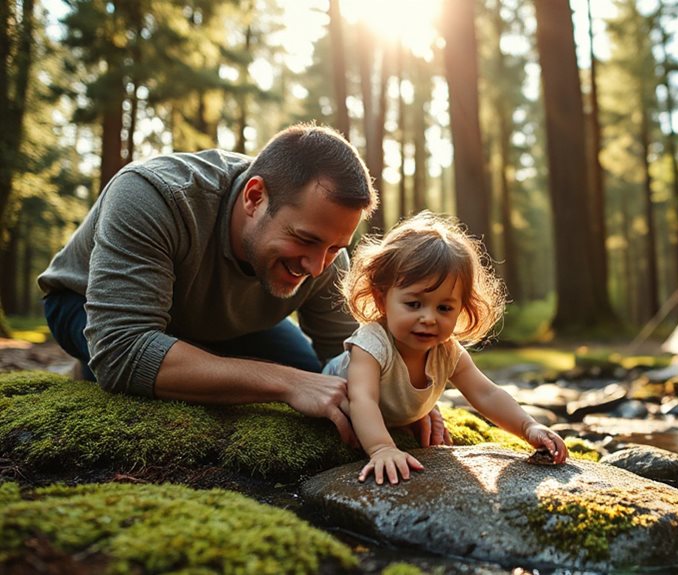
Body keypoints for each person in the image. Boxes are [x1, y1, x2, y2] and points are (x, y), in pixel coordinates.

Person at [37, 123, 442, 447]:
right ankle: (101, 365)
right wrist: (286, 383)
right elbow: (124, 348)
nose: (317, 267)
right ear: (254, 197)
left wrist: (397, 394)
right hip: (87, 305)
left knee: (324, 390)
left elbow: (352, 360)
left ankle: (194, 361)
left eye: (337, 247)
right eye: (305, 239)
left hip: (231, 323)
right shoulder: (153, 194)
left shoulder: (325, 260)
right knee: (131, 375)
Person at [323, 211, 568, 485]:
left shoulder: (446, 351)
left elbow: (486, 393)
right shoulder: (371, 344)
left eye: (444, 308)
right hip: (338, 395)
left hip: (389, 408)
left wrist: (528, 426)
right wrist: (382, 448)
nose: (429, 318)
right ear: (382, 301)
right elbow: (363, 399)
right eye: (414, 304)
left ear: (461, 309)